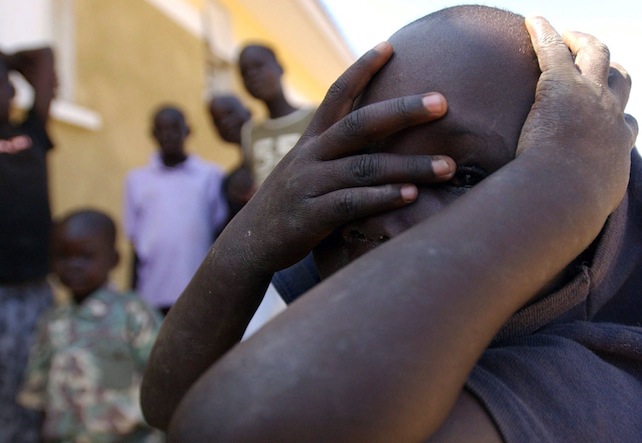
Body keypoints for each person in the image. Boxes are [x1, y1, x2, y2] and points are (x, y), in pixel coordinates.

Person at [142, 6, 640, 442]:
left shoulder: (598, 383)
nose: (384, 200)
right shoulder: (351, 244)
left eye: (463, 175)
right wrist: (253, 237)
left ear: (585, 222)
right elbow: (168, 404)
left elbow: (235, 427)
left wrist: (552, 183)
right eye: (363, 159)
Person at [17, 209, 163, 442]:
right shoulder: (52, 322)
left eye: (85, 256)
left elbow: (162, 378)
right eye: (63, 256)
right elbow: (39, 394)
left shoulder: (132, 314)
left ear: (114, 260)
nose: (73, 265)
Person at [0, 46, 56, 443]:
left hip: (37, 286)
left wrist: (8, 62)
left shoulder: (31, 130)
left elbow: (46, 56)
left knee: (38, 380)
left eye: (1, 85)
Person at [124, 105, 228, 315]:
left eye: (174, 128)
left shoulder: (210, 176)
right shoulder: (136, 180)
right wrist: (131, 295)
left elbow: (219, 231)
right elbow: (136, 243)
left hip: (197, 289)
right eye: (161, 129)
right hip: (152, 292)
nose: (168, 135)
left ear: (187, 131)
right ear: (153, 134)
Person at [238, 43, 316, 186]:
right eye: (244, 72)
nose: (252, 75)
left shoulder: (316, 116)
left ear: (280, 68)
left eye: (258, 66)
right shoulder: (250, 132)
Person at [207, 94, 256, 221]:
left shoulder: (283, 154)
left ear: (248, 112)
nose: (225, 123)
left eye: (229, 113)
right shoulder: (230, 183)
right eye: (217, 121)